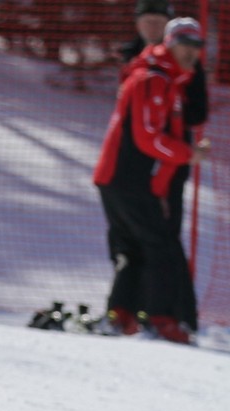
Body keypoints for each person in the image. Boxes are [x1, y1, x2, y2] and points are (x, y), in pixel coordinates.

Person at [94, 18, 210, 344]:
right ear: (169, 44)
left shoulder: (169, 80)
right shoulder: (152, 79)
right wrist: (187, 154)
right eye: (185, 43)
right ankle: (160, 320)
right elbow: (148, 138)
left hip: (123, 177)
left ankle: (121, 316)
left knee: (132, 248)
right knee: (159, 246)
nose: (192, 52)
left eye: (197, 45)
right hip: (126, 177)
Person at [120, 0, 209, 238]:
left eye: (157, 22)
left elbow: (198, 112)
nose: (151, 27)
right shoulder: (132, 56)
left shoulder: (186, 59)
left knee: (164, 237)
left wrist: (168, 108)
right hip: (129, 165)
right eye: (146, 21)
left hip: (168, 159)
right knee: (128, 241)